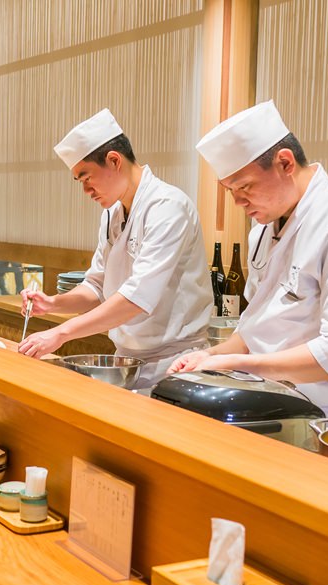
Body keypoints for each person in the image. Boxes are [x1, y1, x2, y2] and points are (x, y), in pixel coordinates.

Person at [171, 100, 328, 425]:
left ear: (285, 162)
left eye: (245, 186)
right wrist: (212, 355)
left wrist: (235, 364)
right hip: (278, 406)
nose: (238, 201)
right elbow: (260, 326)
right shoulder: (266, 228)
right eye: (230, 190)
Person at [17, 109, 214, 387]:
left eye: (87, 178)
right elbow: (97, 287)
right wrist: (54, 304)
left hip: (174, 364)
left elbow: (137, 298)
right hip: (127, 361)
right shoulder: (112, 213)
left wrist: (61, 334)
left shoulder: (168, 206)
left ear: (113, 160)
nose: (86, 191)